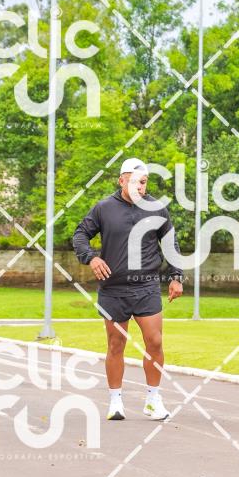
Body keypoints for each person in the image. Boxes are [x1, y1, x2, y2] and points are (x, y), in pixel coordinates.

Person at [73, 158, 184, 422]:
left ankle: (153, 400)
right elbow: (80, 235)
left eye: (143, 182)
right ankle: (115, 401)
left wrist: (176, 276)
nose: (139, 187)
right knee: (116, 344)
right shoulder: (103, 208)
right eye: (134, 182)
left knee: (155, 342)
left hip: (147, 286)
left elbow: (170, 243)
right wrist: (91, 258)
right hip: (113, 289)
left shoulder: (157, 208)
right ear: (121, 180)